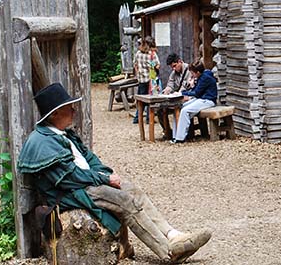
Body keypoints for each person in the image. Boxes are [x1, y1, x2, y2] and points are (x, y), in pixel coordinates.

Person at [18, 83, 212, 262]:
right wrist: (104, 178)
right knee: (123, 200)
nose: (74, 110)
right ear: (55, 113)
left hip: (86, 183)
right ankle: (168, 251)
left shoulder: (64, 134)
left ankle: (173, 235)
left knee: (131, 189)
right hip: (71, 193)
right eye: (69, 107)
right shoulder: (42, 142)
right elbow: (71, 178)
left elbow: (90, 160)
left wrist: (105, 174)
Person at [171, 61, 217, 144]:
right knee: (179, 107)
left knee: (185, 111)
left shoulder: (205, 78)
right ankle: (175, 135)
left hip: (208, 100)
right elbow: (196, 91)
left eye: (192, 73)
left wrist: (182, 93)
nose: (192, 75)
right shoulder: (201, 76)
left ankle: (180, 138)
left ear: (198, 72)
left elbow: (197, 93)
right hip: (201, 99)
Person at [158, 54, 196, 139]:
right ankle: (167, 131)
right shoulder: (174, 73)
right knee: (160, 109)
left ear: (180, 61)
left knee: (180, 107)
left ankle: (185, 133)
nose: (174, 68)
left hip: (189, 96)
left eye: (175, 66)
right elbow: (170, 84)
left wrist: (178, 93)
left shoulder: (189, 70)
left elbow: (186, 87)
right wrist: (167, 90)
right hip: (178, 96)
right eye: (172, 67)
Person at [132, 37, 160, 124]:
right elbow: (157, 65)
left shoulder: (138, 53)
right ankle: (149, 118)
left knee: (141, 99)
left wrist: (138, 73)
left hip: (141, 79)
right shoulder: (152, 54)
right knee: (150, 98)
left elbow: (135, 64)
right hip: (150, 80)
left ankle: (137, 118)